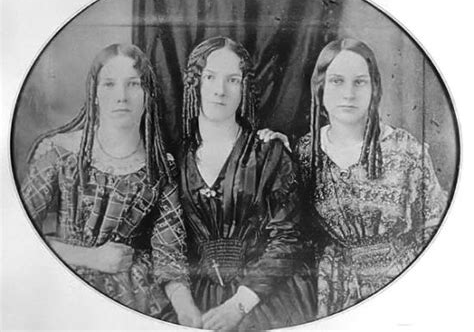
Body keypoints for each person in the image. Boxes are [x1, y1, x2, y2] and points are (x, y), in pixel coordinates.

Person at [262, 38, 448, 318]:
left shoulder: (405, 149)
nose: (348, 93)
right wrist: (278, 153)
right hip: (333, 291)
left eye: (359, 82)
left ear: (374, 89)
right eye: (337, 81)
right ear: (320, 89)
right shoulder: (304, 152)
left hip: (398, 285)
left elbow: (437, 229)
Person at [20, 44, 201, 327]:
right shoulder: (60, 151)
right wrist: (90, 257)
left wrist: (188, 312)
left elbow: (169, 254)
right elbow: (16, 235)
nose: (121, 97)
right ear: (94, 94)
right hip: (67, 284)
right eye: (109, 84)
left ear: (148, 96)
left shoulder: (159, 166)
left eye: (133, 85)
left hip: (137, 296)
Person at [179, 36, 317, 330]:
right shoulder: (176, 160)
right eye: (210, 77)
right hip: (197, 298)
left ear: (244, 88)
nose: (220, 90)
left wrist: (239, 304)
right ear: (195, 83)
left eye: (233, 80)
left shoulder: (269, 154)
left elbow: (289, 239)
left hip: (264, 297)